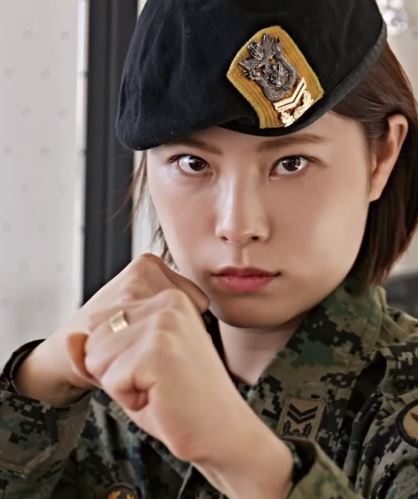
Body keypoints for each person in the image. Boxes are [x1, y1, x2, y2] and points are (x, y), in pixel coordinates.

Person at [1, 0, 418, 497]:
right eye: (193, 163)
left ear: (381, 156)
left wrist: (246, 462)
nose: (237, 226)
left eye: (291, 163)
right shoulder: (92, 402)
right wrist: (38, 384)